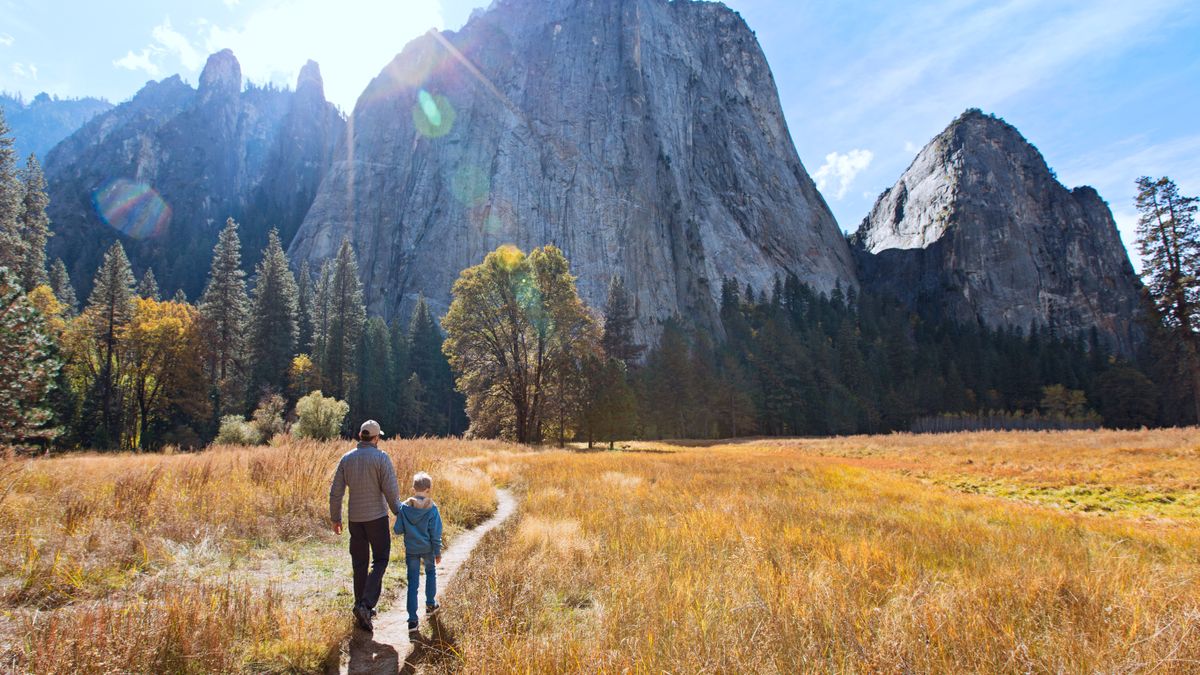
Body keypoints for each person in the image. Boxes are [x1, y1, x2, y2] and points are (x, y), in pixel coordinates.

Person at [329, 419, 401, 632]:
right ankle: (365, 604)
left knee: (359, 563)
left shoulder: (347, 459)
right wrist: (400, 513)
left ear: (361, 436)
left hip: (355, 520)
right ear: (376, 438)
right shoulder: (381, 458)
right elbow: (391, 490)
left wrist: (336, 518)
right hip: (377, 518)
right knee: (380, 559)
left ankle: (360, 607)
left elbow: (336, 492)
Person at [394, 471, 444, 631]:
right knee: (430, 573)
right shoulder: (432, 508)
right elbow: (435, 533)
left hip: (411, 550)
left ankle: (412, 620)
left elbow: (397, 530)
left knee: (412, 583)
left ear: (413, 488)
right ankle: (430, 604)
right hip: (428, 549)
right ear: (428, 489)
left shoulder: (404, 508)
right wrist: (437, 551)